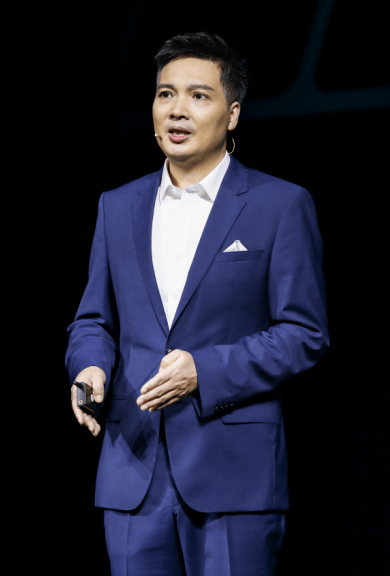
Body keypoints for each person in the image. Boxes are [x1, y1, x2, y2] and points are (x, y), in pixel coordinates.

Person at [65, 32, 329, 576]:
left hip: (233, 471)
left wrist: (203, 370)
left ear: (232, 115)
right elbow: (94, 319)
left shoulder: (280, 204)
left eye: (198, 96)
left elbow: (304, 333)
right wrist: (89, 367)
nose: (177, 109)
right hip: (132, 467)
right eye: (166, 94)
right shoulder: (117, 206)